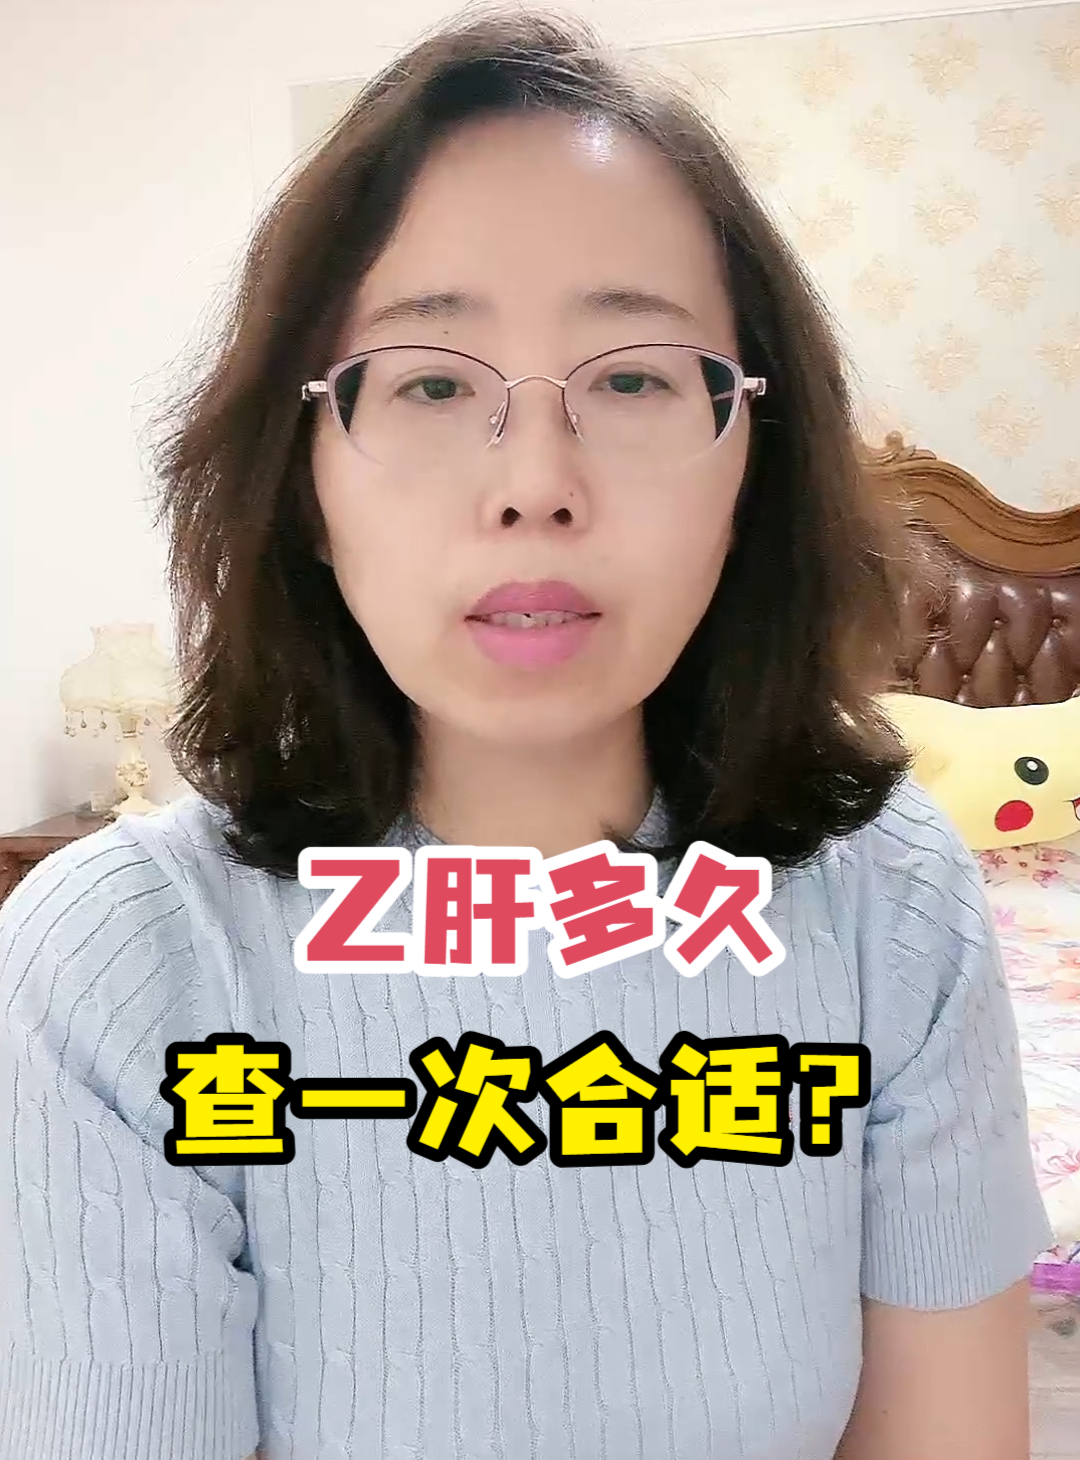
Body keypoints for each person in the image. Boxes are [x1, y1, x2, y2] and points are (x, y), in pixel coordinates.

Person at [0, 10, 1052, 1460]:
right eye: (432, 382)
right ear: (306, 480)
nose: (535, 485)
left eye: (632, 378)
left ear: (752, 459)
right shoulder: (119, 967)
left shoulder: (891, 896)